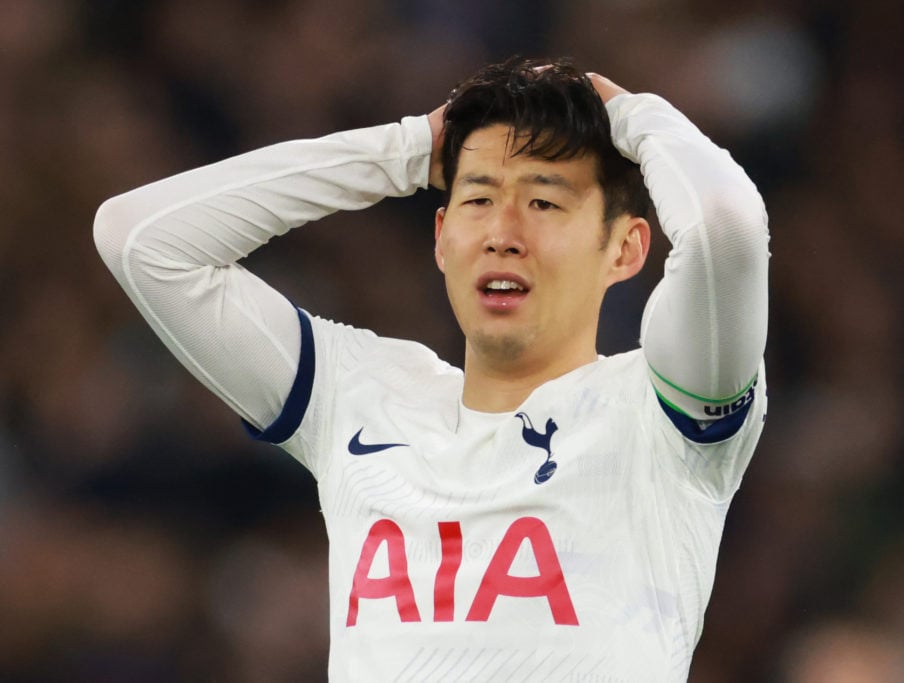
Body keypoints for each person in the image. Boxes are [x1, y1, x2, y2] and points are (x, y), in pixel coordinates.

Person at [94, 57, 769, 681]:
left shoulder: (663, 410)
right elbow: (141, 240)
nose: (503, 231)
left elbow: (724, 227)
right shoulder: (355, 393)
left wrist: (632, 113)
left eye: (545, 202)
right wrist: (409, 148)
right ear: (442, 238)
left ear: (625, 249)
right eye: (478, 199)